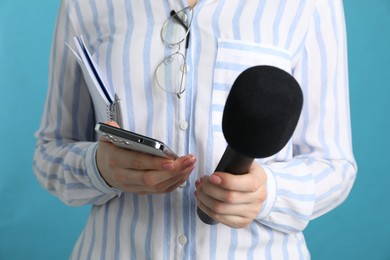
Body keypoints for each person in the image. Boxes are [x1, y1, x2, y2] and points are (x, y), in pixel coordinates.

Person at [33, 0, 357, 259]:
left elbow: (334, 165)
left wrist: (268, 193)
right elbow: (50, 150)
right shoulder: (84, 4)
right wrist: (98, 167)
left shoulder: (311, 4)